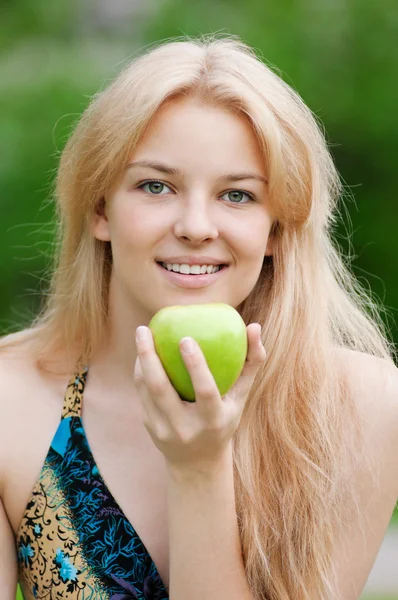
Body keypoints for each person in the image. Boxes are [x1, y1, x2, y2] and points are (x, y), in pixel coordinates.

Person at [0, 33, 397, 600]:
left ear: (277, 230)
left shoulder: (359, 407)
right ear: (99, 208)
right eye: (156, 186)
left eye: (237, 196)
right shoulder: (9, 400)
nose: (195, 226)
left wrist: (198, 469)